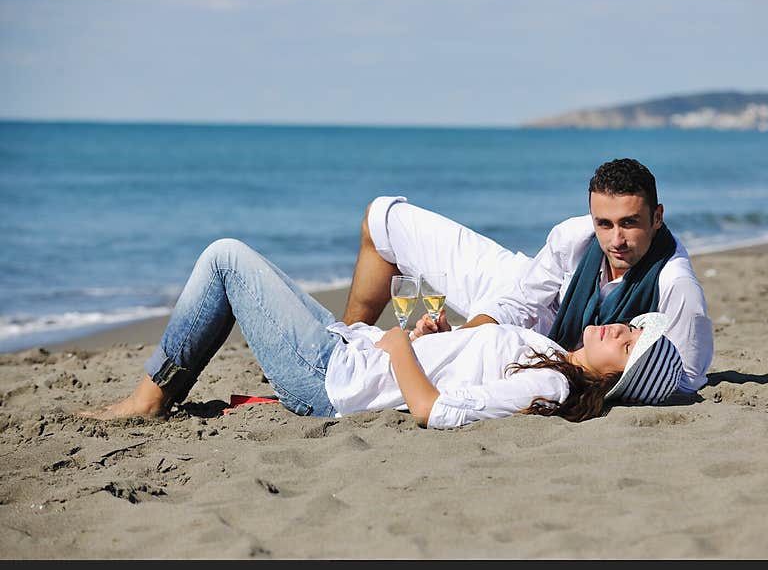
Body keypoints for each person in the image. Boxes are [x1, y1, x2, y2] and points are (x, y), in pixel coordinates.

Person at [78, 239, 683, 429]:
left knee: (226, 258)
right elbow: (457, 372)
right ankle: (158, 388)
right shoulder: (549, 351)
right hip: (350, 348)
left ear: (616, 376)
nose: (617, 326)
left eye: (626, 342)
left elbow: (436, 411)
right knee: (236, 264)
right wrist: (429, 339)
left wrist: (397, 347)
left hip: (333, 379)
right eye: (630, 326)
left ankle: (151, 397)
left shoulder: (551, 384)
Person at [342, 158, 713, 393]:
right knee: (383, 220)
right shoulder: (574, 237)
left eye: (630, 224)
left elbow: (687, 378)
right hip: (521, 294)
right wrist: (460, 340)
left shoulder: (676, 285)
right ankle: (345, 348)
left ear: (658, 216)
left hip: (543, 350)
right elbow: (520, 301)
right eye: (604, 223)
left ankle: (350, 368)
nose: (616, 239)